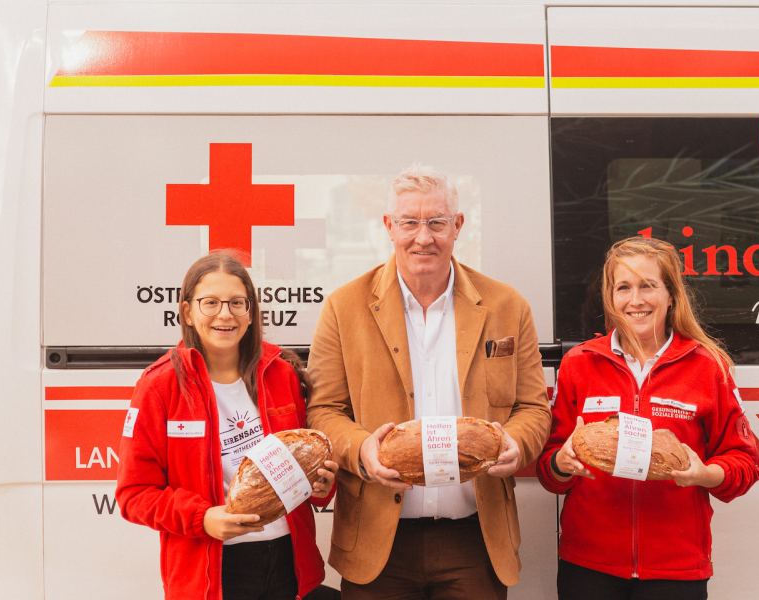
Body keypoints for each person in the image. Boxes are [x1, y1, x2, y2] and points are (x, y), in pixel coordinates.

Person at [307, 165, 551, 599]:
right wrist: (363, 449)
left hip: (475, 537)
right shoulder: (344, 307)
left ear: (457, 225)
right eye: (410, 222)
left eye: (437, 222)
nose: (424, 237)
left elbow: (533, 408)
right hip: (377, 538)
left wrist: (516, 443)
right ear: (389, 226)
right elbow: (324, 411)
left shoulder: (506, 305)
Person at [536, 236, 759, 600]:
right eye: (623, 287)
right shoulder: (580, 363)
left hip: (676, 571)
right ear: (610, 297)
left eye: (648, 286)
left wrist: (704, 474)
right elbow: (548, 470)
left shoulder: (707, 367)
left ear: (671, 295)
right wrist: (562, 463)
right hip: (589, 568)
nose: (635, 300)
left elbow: (745, 464)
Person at [116, 250, 339, 600]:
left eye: (237, 302)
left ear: (251, 313)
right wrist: (203, 519)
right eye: (210, 303)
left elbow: (309, 471)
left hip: (288, 563)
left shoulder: (280, 373)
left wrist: (323, 483)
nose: (225, 314)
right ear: (187, 312)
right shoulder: (160, 386)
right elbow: (133, 494)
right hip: (212, 572)